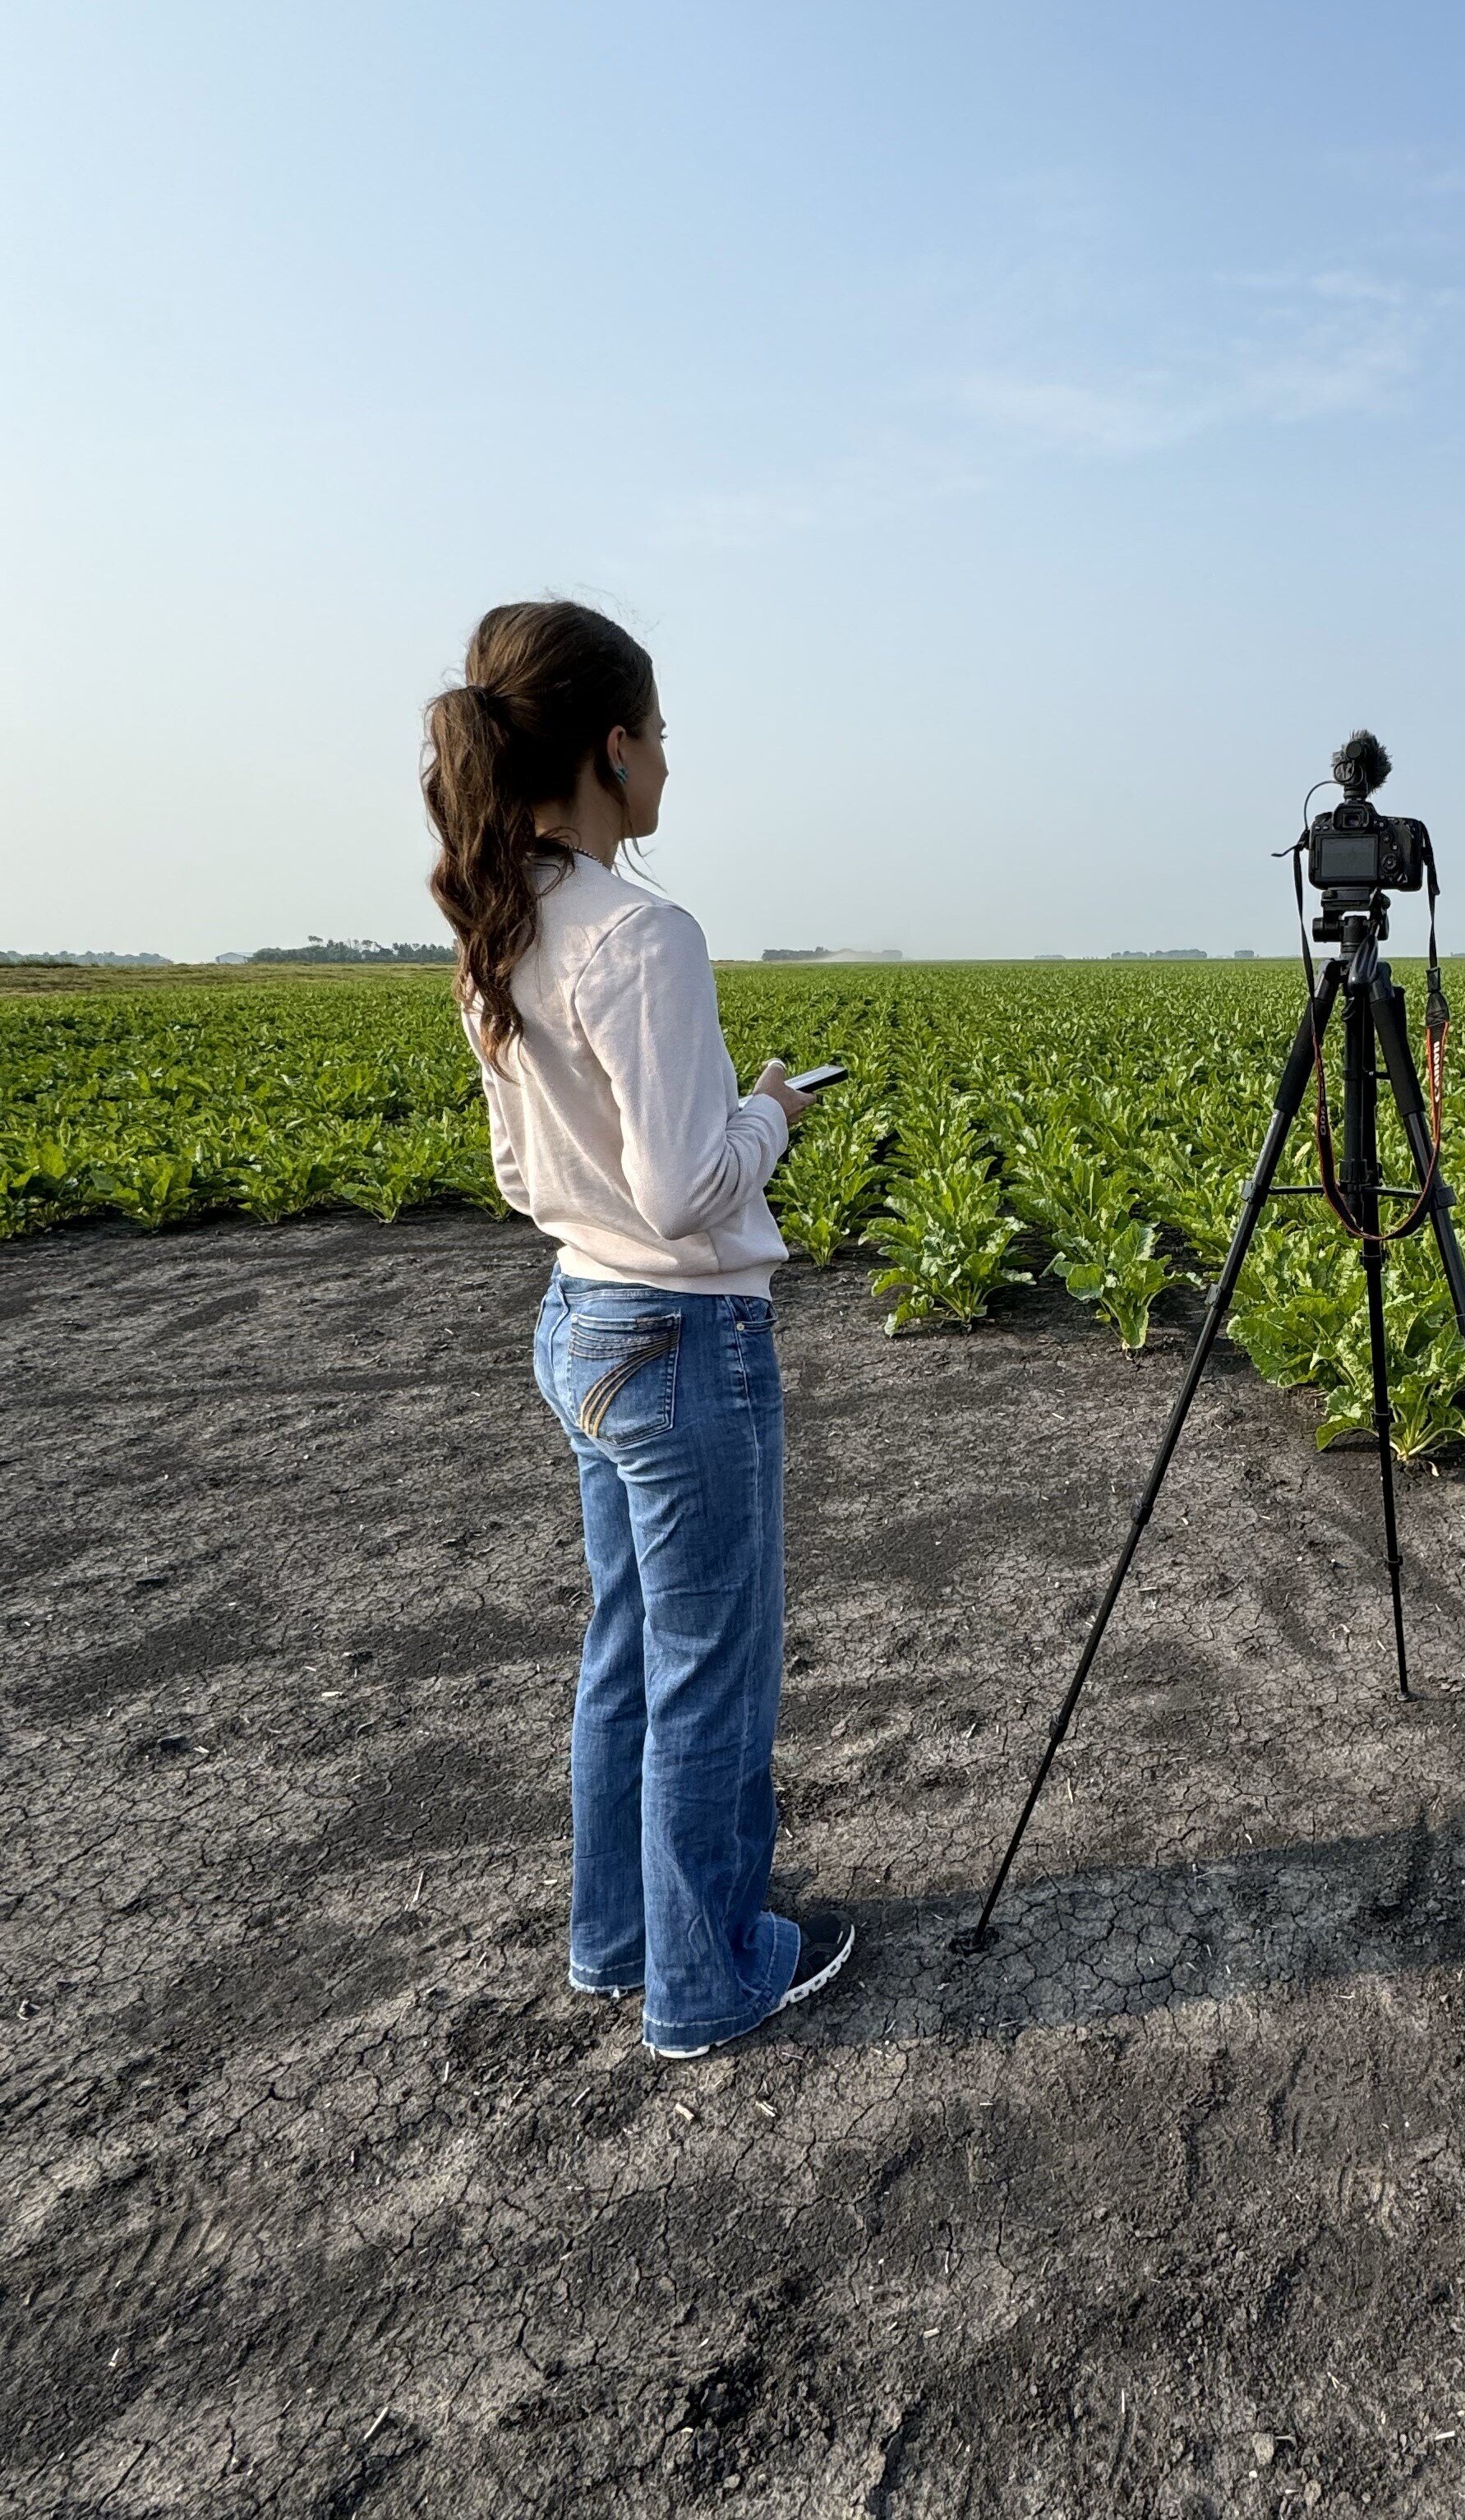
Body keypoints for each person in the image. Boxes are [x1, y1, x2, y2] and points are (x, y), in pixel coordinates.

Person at [422, 598, 851, 2062]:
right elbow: (684, 1193)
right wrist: (771, 1114)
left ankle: (615, 1940)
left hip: (577, 1319)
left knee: (626, 1651)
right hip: (678, 1335)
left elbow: (517, 1171)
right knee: (708, 1670)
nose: (668, 762)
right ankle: (707, 1977)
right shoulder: (643, 931)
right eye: (658, 735)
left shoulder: (497, 917)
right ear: (612, 749)